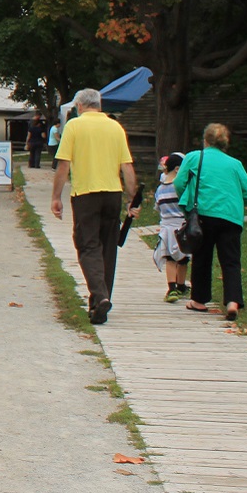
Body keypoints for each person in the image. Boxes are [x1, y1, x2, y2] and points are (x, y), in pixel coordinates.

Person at [49, 88, 139, 325]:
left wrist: (56, 197)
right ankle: (100, 301)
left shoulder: (75, 127)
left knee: (88, 246)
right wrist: (132, 199)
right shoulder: (115, 127)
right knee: (108, 247)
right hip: (112, 193)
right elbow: (127, 167)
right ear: (99, 104)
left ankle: (99, 297)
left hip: (86, 194)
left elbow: (63, 165)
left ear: (79, 105)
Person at [178, 123, 247, 321]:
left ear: (205, 140)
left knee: (202, 257)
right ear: (225, 143)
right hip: (231, 217)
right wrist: (236, 202)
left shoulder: (195, 157)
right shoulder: (235, 164)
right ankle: (232, 301)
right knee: (231, 260)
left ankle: (199, 300)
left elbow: (179, 183)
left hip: (203, 216)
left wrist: (186, 204)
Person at [153, 153, 191, 303]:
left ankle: (172, 288)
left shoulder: (160, 189)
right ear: (177, 169)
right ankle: (181, 285)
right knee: (183, 258)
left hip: (167, 227)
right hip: (181, 225)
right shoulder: (180, 187)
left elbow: (157, 208)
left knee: (169, 258)